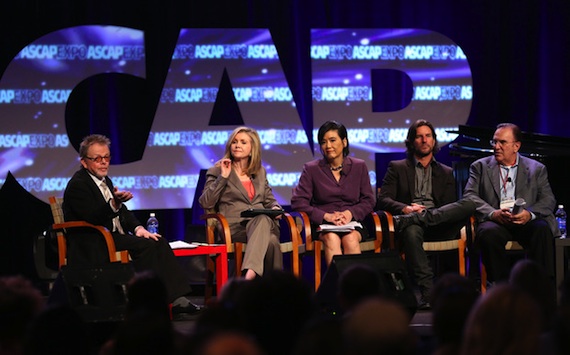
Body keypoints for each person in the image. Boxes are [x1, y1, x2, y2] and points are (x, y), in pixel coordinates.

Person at [63, 134, 200, 315]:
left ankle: (176, 298)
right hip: (92, 240)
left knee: (158, 241)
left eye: (106, 157)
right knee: (145, 247)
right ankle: (151, 300)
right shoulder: (78, 185)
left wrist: (138, 228)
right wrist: (113, 204)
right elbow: (91, 217)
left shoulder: (104, 181)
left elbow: (123, 212)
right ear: (84, 162)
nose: (103, 162)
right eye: (97, 158)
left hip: (110, 236)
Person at [376, 119, 475, 309]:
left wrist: (427, 215)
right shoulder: (397, 167)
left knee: (469, 204)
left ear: (434, 140)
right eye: (419, 136)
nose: (424, 140)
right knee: (412, 230)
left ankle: (420, 217)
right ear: (412, 141)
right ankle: (428, 292)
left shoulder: (446, 172)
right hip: (411, 226)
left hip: (438, 224)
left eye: (428, 136)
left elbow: (449, 207)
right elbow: (383, 200)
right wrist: (406, 209)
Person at [463, 122, 557, 285]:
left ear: (516, 146)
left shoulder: (536, 169)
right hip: (496, 221)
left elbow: (548, 200)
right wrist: (493, 213)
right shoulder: (480, 167)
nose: (496, 146)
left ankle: (540, 287)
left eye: (502, 142)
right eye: (494, 141)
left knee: (542, 229)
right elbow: (469, 196)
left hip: (524, 220)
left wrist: (529, 214)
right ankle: (500, 287)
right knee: (488, 233)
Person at [199, 126, 283, 280]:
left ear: (252, 149)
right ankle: (271, 292)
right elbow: (206, 202)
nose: (237, 145)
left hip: (261, 226)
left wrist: (275, 207)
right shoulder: (217, 171)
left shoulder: (260, 172)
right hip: (234, 229)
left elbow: (269, 199)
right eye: (235, 142)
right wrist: (223, 177)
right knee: (272, 243)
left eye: (243, 142)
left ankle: (248, 278)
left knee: (263, 219)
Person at [291, 120, 375, 266]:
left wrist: (350, 213)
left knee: (350, 239)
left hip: (353, 223)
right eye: (323, 142)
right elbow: (298, 202)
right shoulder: (311, 169)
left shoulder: (359, 166)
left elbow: (368, 200)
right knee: (332, 238)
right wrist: (326, 216)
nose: (328, 146)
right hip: (324, 226)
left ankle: (356, 287)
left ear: (344, 142)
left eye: (332, 140)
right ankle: (337, 286)